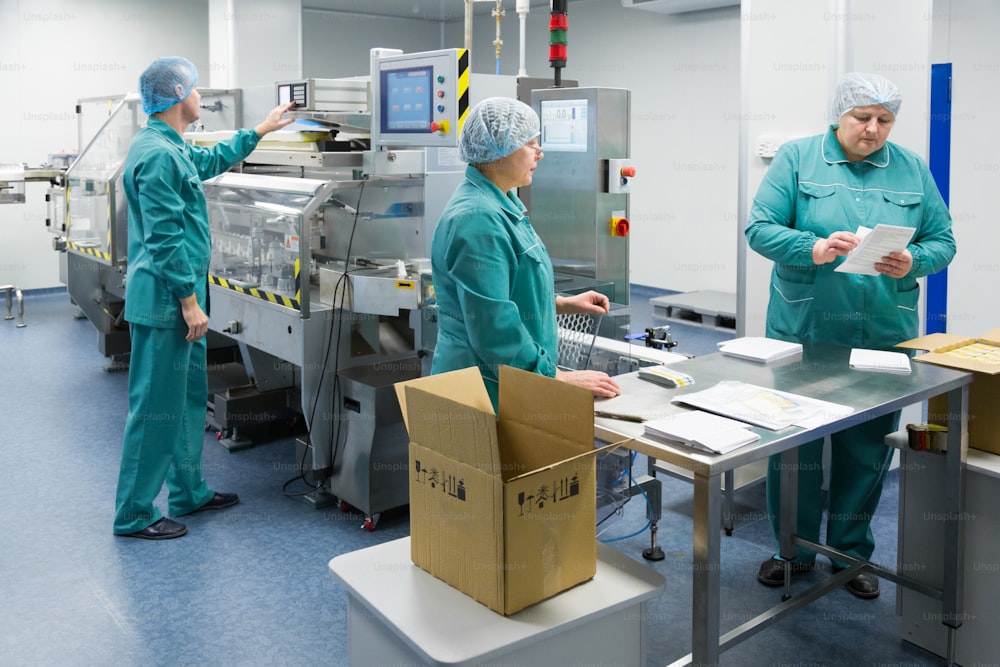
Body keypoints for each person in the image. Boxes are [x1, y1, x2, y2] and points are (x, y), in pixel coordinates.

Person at [745, 72, 956, 598]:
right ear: (839, 116)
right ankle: (790, 550)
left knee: (866, 449)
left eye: (885, 120)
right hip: (805, 329)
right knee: (795, 447)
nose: (873, 130)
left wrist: (913, 261)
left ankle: (851, 553)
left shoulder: (911, 169)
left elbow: (943, 240)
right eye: (863, 118)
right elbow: (760, 229)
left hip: (883, 331)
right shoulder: (797, 159)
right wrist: (813, 248)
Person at [113, 57, 295, 539]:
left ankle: (188, 491)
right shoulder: (154, 154)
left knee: (189, 400)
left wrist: (261, 129)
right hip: (166, 302)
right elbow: (165, 236)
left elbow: (209, 161)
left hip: (181, 298)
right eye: (196, 89)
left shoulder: (171, 146)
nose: (202, 96)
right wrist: (188, 301)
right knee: (155, 409)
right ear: (176, 97)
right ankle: (133, 513)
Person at [430, 97, 621, 410]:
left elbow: (506, 289)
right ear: (500, 149)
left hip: (504, 383)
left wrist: (560, 304)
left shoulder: (500, 205)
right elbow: (494, 329)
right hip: (481, 393)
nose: (539, 153)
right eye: (531, 143)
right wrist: (555, 378)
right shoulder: (478, 218)